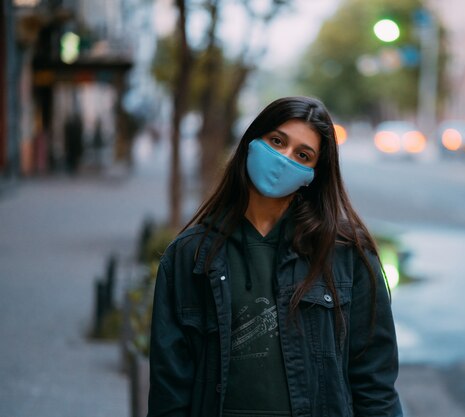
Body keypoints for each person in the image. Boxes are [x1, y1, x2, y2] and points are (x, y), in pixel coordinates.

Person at [147, 96, 403, 417]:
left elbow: (374, 383)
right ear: (252, 142)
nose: (284, 158)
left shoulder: (347, 254)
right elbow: (169, 390)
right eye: (277, 141)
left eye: (302, 154)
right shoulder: (189, 256)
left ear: (313, 175)